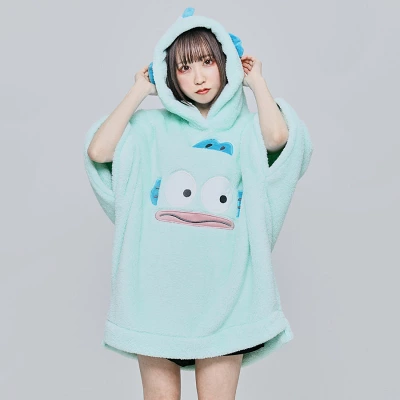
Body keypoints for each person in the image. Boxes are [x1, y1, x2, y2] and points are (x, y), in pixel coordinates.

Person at [84, 7, 312, 400]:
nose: (199, 77)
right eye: (184, 67)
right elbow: (99, 151)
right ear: (169, 75)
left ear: (226, 63)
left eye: (208, 62)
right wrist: (139, 91)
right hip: (155, 295)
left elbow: (278, 141)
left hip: (226, 296)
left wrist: (256, 82)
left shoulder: (246, 130)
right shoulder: (151, 129)